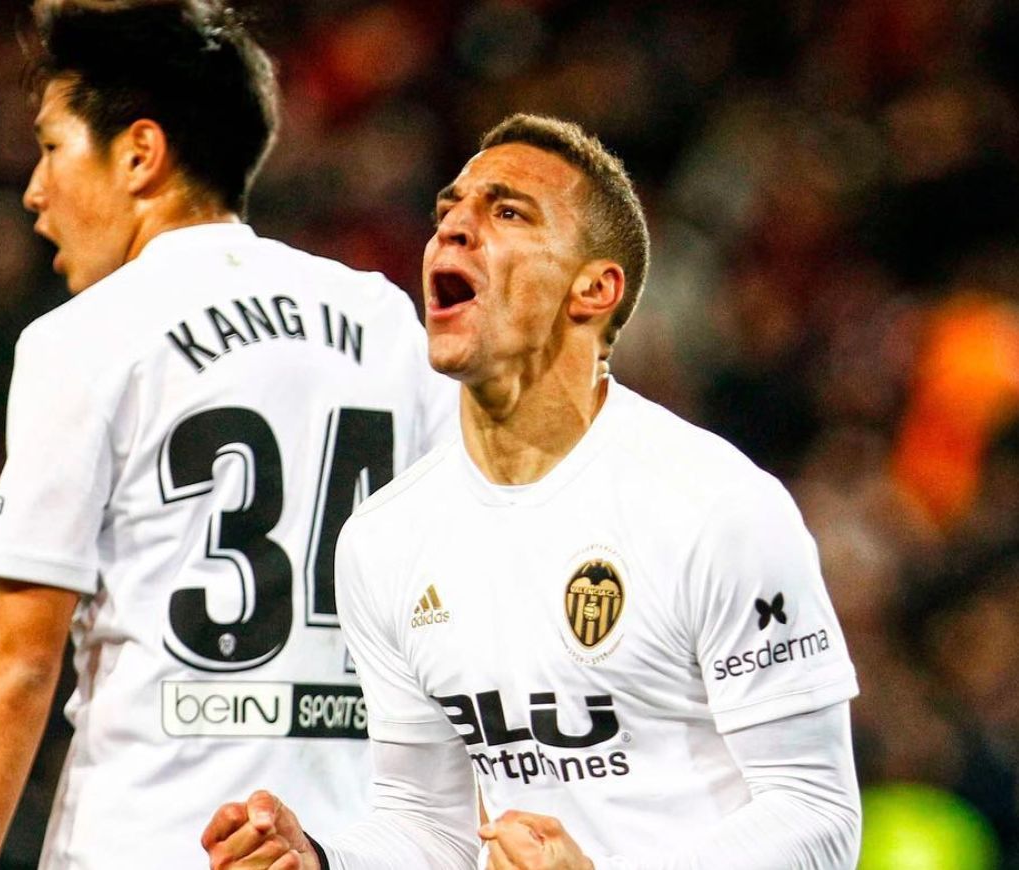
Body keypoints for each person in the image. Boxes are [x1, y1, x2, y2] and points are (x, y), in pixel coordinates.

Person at [202, 114, 862, 869]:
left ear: (595, 289)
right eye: (447, 211)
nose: (452, 230)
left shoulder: (716, 508)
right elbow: (427, 823)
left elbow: (817, 813)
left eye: (507, 212)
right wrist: (322, 862)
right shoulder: (384, 541)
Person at [0, 2, 455, 868]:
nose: (34, 190)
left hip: (144, 841)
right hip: (335, 845)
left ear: (140, 152)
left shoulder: (85, 336)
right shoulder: (387, 324)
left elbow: (21, 660)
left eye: (53, 147)